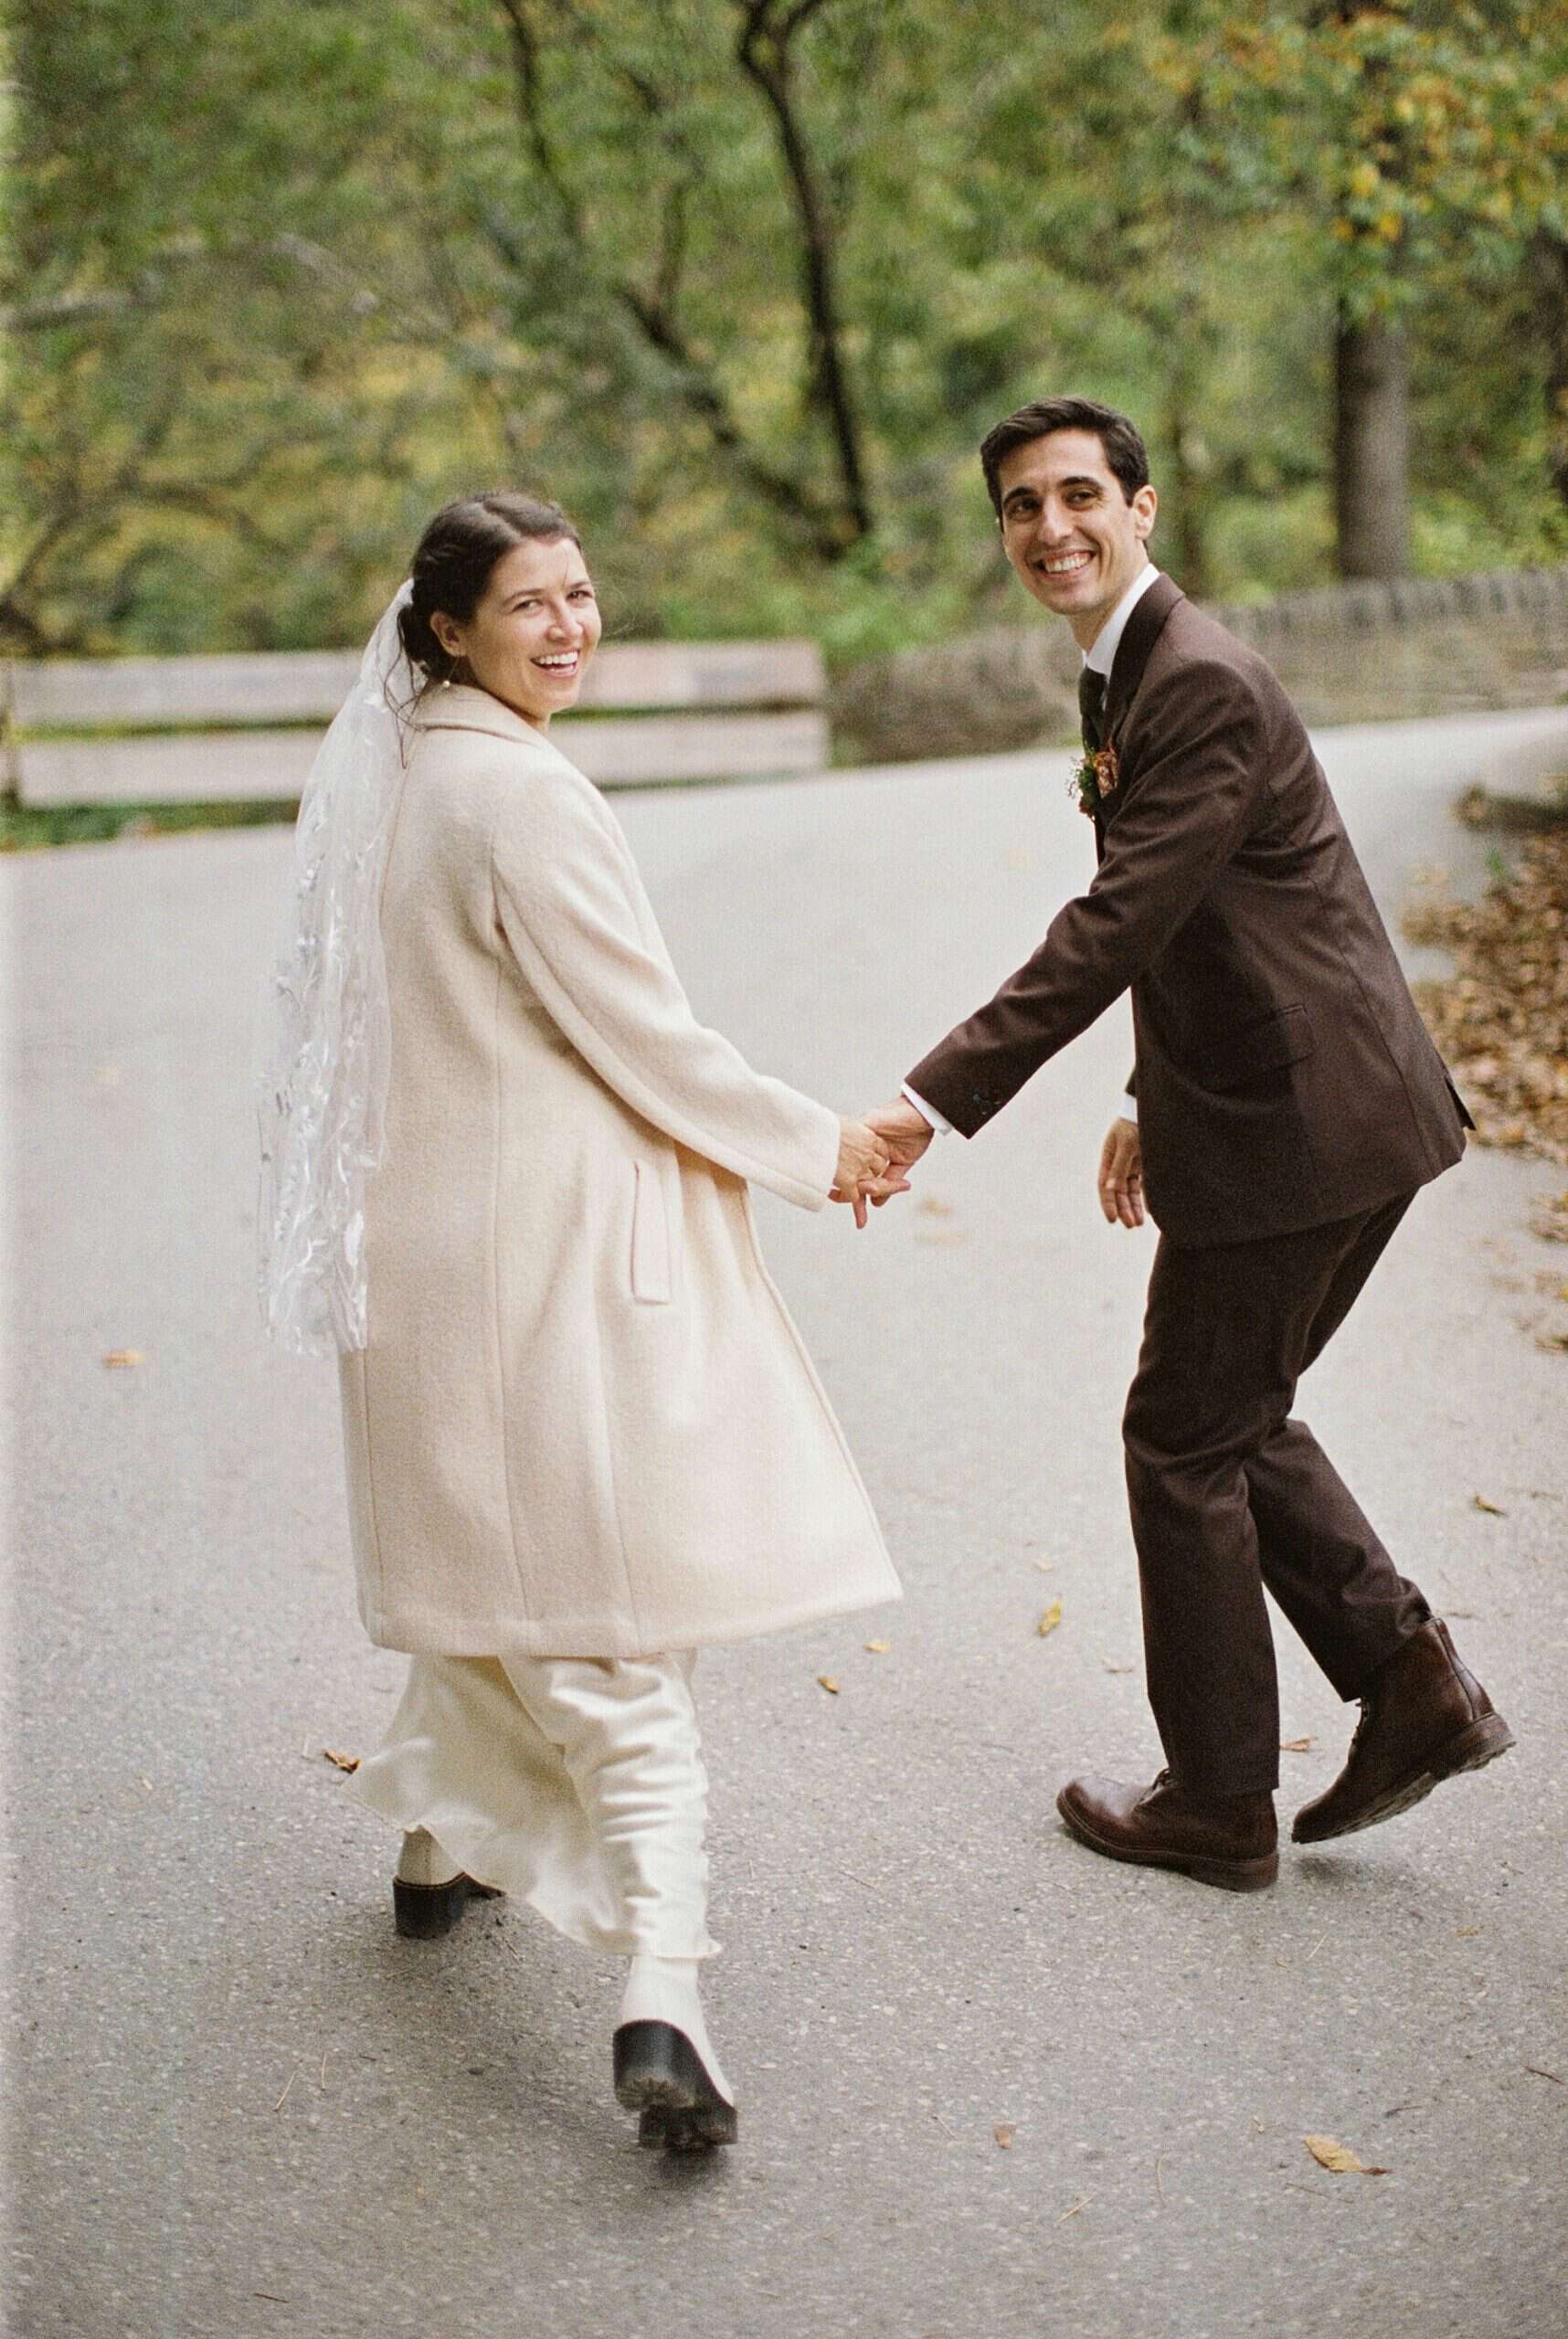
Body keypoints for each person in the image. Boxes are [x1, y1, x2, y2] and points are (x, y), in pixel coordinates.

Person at [259, 491, 900, 2150]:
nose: (569, 626)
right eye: (530, 603)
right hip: (540, 1265)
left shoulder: (399, 781)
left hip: (421, 1261)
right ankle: (663, 2003)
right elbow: (648, 1037)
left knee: (493, 1580)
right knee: (618, 1640)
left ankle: (432, 1855)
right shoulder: (520, 799)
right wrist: (820, 1146)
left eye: (584, 595)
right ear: (448, 626)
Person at [862, 397, 1512, 1892]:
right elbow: (1212, 914)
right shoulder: (1131, 674)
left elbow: (1118, 923)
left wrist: (932, 1099)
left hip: (1310, 1123)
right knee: (1232, 1409)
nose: (1052, 529)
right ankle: (1414, 1690)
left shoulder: (1196, 680)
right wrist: (1154, 1098)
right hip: (1310, 1106)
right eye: (1022, 507)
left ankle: (1221, 1803)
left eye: (1080, 496)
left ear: (1145, 508)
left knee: (1183, 1435)